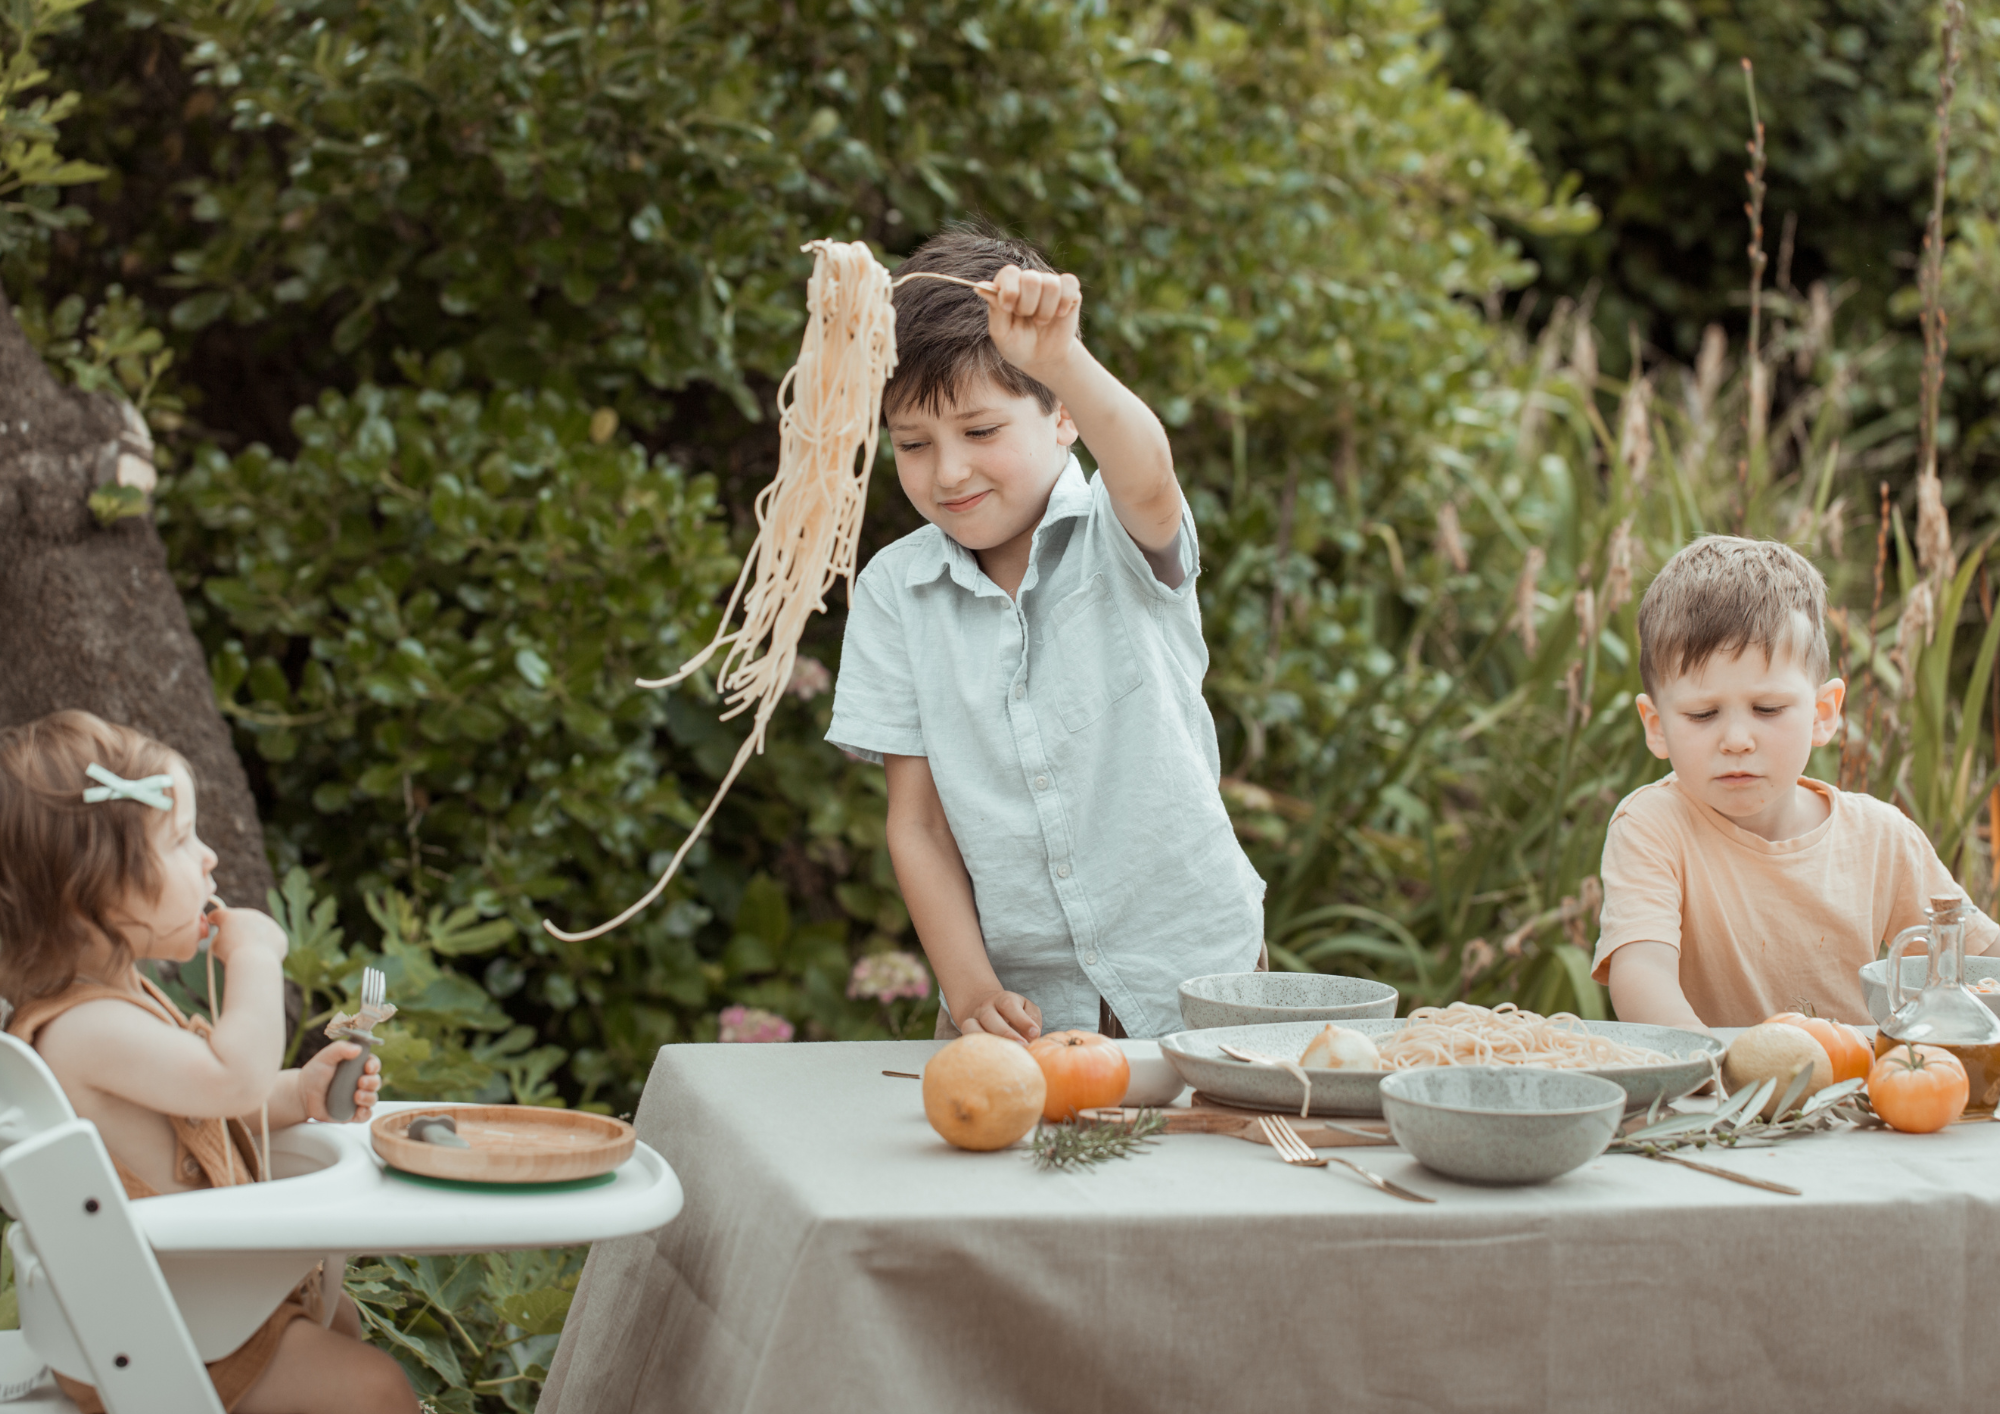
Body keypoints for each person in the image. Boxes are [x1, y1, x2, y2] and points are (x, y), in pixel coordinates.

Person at [825, 226, 1267, 1043]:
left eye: (981, 431)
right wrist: (970, 990)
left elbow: (1148, 471)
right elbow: (916, 823)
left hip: (1199, 980)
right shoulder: (895, 589)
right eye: (914, 445)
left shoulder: (1117, 532)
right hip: (1020, 1010)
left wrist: (1059, 356)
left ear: (1061, 416)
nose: (948, 471)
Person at [0, 710, 417, 1414]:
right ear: (97, 888)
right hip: (158, 1332)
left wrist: (300, 1092)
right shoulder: (87, 1029)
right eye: (182, 839)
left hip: (191, 1306)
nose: (209, 858)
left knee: (341, 1325)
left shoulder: (117, 1001)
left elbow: (206, 1104)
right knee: (375, 1391)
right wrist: (256, 957)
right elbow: (229, 1079)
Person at [1592, 536, 1998, 1029]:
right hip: (1715, 1096)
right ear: (1656, 726)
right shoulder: (1653, 827)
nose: (1737, 740)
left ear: (1823, 714)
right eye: (1703, 714)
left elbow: (1982, 962)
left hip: (1862, 1099)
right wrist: (1720, 1069)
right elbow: (1641, 977)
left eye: (1768, 709)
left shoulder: (1881, 837)